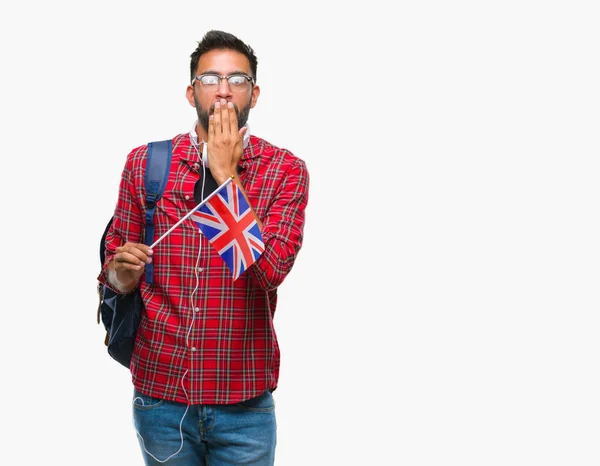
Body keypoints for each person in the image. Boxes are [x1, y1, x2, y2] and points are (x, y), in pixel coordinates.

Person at [98, 30, 309, 466]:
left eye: (239, 79)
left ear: (256, 92)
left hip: (244, 404)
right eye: (211, 77)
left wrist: (224, 174)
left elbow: (269, 272)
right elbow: (113, 277)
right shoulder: (146, 162)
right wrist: (123, 271)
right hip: (161, 398)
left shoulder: (286, 170)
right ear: (192, 90)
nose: (225, 89)